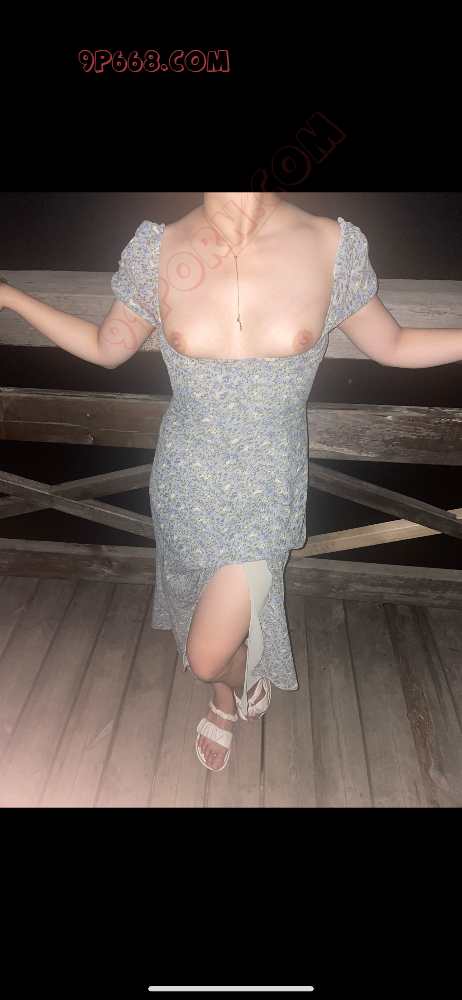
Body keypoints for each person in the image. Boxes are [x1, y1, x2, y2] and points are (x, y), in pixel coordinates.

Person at [2, 192, 461, 773]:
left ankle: (230, 676)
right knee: (198, 615)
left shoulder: (331, 245)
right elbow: (105, 347)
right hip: (184, 481)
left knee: (204, 653)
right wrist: (10, 296)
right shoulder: (159, 250)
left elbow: (392, 345)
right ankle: (228, 695)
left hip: (266, 487)